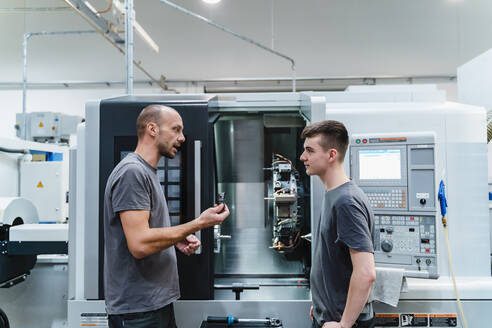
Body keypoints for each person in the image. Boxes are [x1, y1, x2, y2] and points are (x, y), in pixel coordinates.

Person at [103, 104, 230, 328]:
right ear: (152, 129)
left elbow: (145, 233)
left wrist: (176, 239)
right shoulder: (132, 173)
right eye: (176, 129)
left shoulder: (147, 172)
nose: (182, 138)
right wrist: (199, 223)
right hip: (139, 311)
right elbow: (139, 244)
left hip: (153, 304)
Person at [300, 120, 376, 328]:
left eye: (309, 150)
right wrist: (321, 304)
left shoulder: (346, 202)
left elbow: (366, 273)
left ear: (331, 155)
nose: (303, 157)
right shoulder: (333, 194)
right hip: (330, 316)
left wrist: (344, 324)